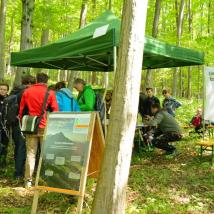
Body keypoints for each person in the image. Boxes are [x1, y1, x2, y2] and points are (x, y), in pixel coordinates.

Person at [19, 73, 58, 188]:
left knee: (31, 154)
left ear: (36, 80)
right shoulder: (50, 93)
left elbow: (21, 110)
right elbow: (56, 110)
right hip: (45, 126)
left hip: (31, 126)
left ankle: (28, 181)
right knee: (46, 153)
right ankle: (47, 179)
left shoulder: (27, 91)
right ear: (46, 81)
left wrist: (23, 123)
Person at [9, 75, 36, 179]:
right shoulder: (26, 92)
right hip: (23, 122)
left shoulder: (15, 91)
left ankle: (17, 170)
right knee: (22, 147)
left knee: (18, 146)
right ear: (30, 83)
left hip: (15, 122)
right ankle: (18, 174)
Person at [0, 83, 10, 169]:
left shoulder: (9, 99)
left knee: (5, 143)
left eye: (4, 89)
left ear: (7, 91)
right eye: (1, 89)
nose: (2, 91)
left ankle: (3, 162)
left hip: (6, 126)